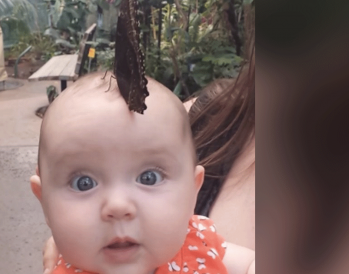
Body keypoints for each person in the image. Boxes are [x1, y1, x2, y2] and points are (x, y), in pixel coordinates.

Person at [30, 72, 255, 274]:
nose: (118, 206)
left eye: (149, 178)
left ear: (192, 191)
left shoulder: (198, 246)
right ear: (45, 202)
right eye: (83, 183)